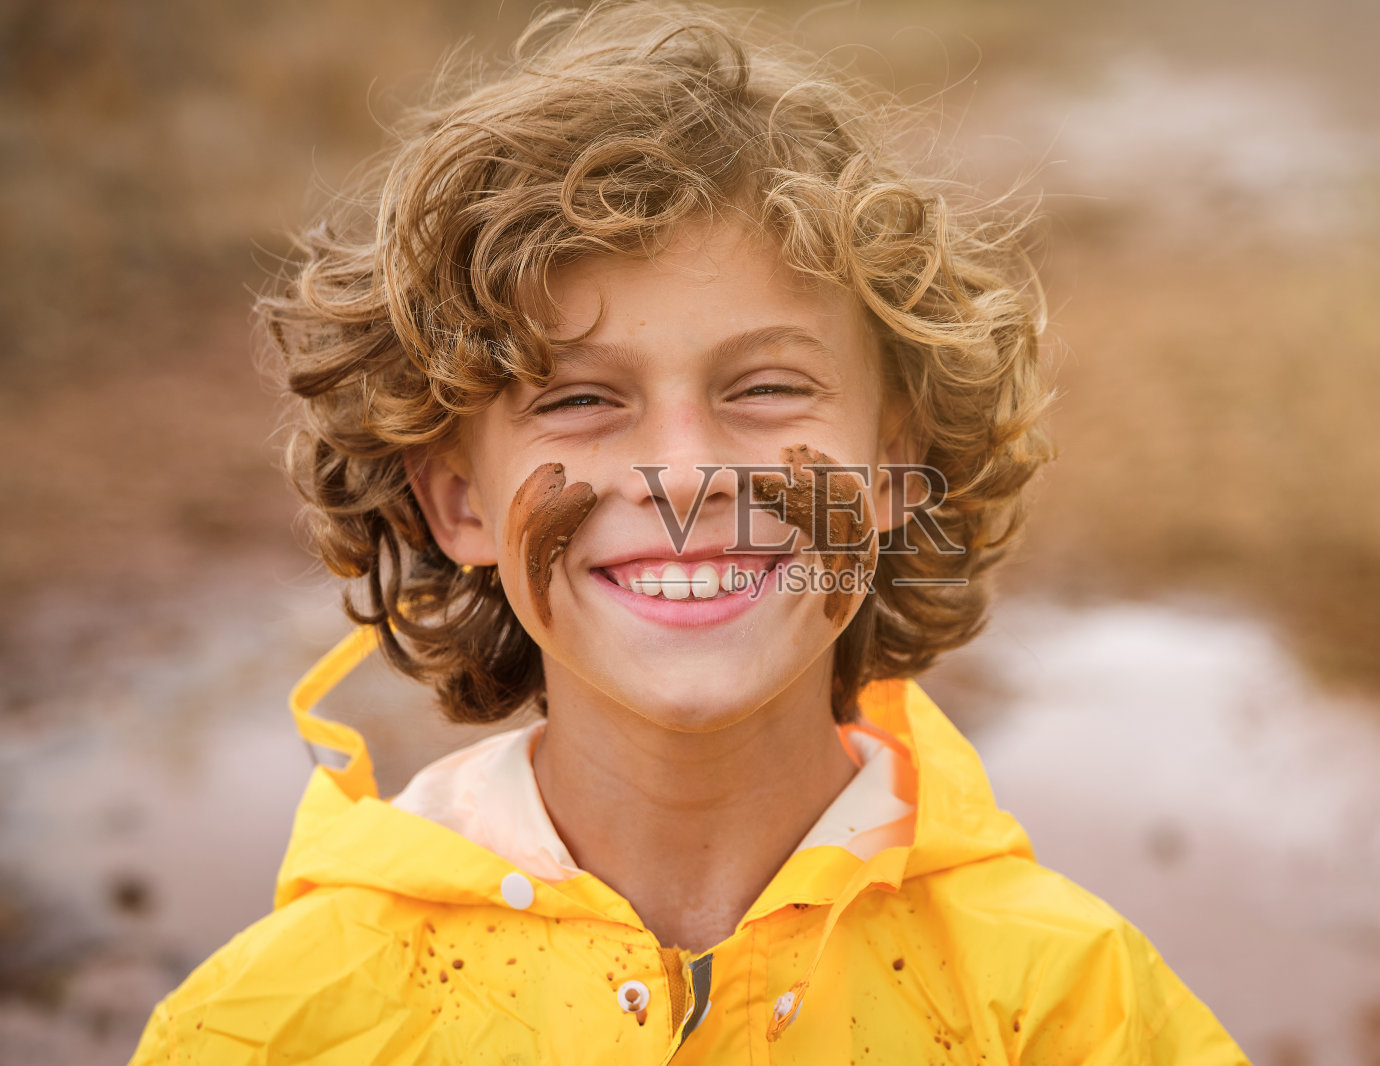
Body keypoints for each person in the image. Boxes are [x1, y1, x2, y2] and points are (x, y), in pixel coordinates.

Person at [131, 3, 1250, 1062]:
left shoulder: (1075, 1008)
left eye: (765, 385)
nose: (684, 474)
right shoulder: (266, 1027)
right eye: (578, 399)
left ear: (897, 463)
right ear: (459, 500)